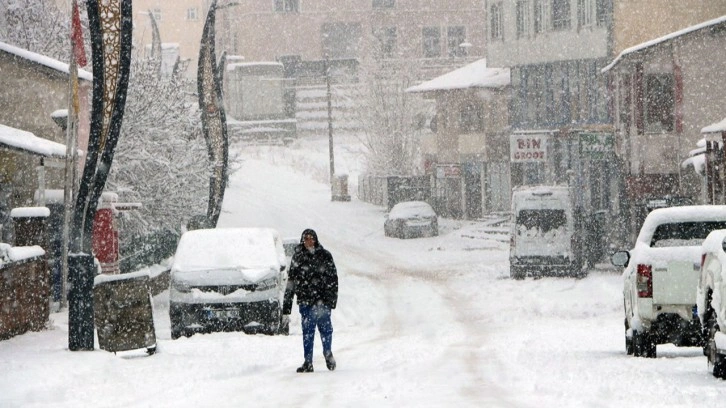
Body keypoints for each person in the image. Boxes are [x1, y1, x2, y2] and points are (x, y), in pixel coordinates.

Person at [283, 228, 339, 373]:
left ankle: (328, 353)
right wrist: (287, 305)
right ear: (302, 240)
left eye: (311, 238)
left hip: (322, 301)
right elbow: (291, 282)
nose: (309, 241)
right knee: (307, 333)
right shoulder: (298, 258)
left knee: (325, 330)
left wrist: (331, 299)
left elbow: (333, 278)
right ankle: (308, 362)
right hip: (305, 302)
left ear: (315, 239)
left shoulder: (325, 256)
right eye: (306, 238)